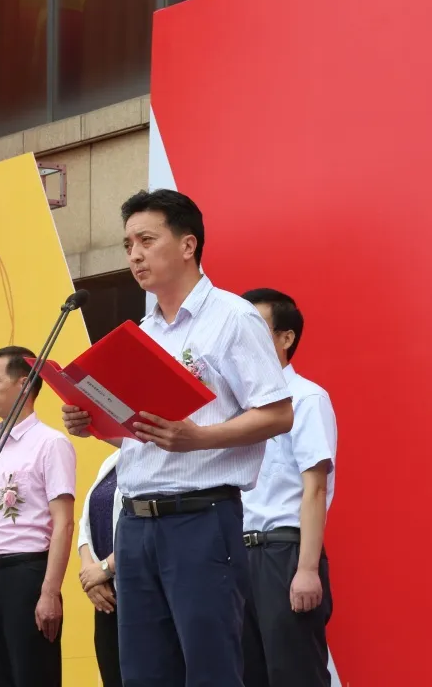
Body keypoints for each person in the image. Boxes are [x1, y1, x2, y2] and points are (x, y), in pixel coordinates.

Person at [61, 189, 294, 687]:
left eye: (147, 240)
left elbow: (278, 414)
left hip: (200, 521)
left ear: (188, 245)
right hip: (134, 525)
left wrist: (198, 437)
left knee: (210, 670)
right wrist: (95, 423)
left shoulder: (233, 318)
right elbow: (145, 437)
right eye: (128, 245)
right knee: (143, 674)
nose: (135, 255)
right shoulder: (142, 332)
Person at [240, 288, 337, 687]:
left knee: (293, 674)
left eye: (256, 328)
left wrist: (307, 569)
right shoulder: (237, 406)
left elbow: (315, 489)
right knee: (245, 674)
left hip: (282, 553)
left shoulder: (307, 399)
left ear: (285, 337)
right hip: (236, 556)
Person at [0, 346, 76, 687]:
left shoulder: (50, 443)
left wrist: (50, 592)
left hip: (25, 576)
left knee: (33, 676)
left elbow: (63, 523)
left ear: (25, 383)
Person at [76, 449, 122, 687]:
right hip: (106, 595)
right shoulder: (111, 460)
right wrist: (90, 575)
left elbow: (144, 525)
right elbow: (85, 524)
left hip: (138, 588)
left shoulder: (156, 461)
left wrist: (106, 568)